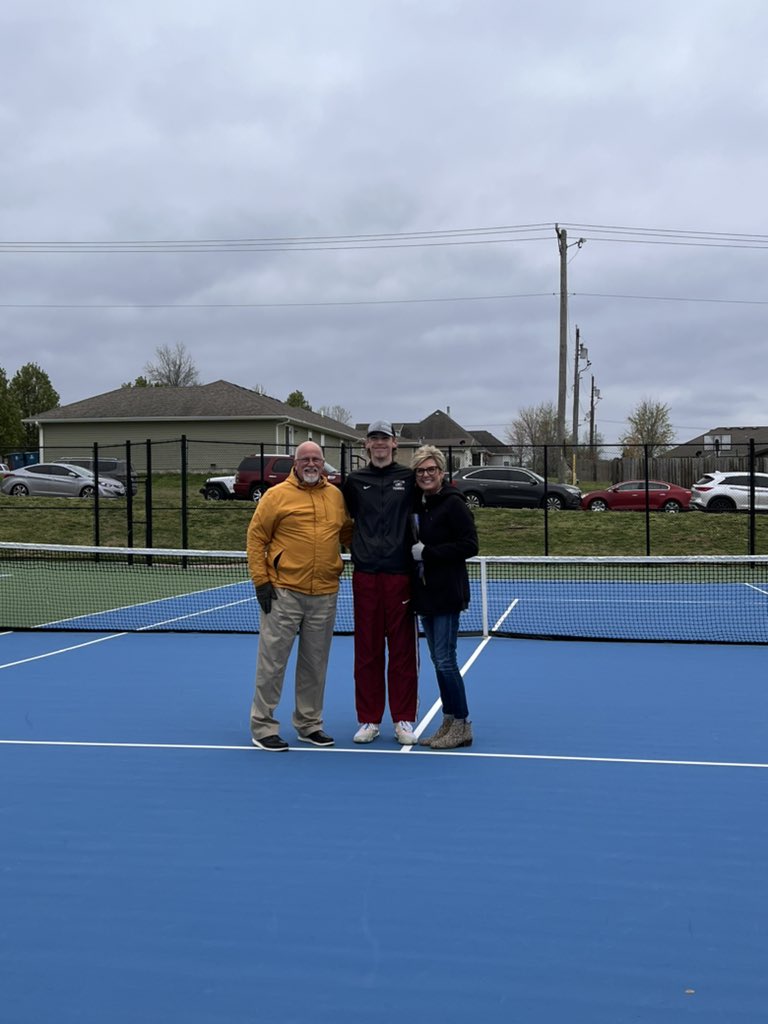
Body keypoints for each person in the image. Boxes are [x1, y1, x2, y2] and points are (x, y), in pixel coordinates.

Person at [247, 440, 353, 751]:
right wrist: (261, 582)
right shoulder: (276, 496)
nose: (310, 464)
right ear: (296, 463)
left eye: (316, 459)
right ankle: (263, 726)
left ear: (323, 464)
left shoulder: (335, 496)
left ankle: (309, 725)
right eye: (305, 459)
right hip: (283, 593)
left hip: (324, 593)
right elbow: (256, 538)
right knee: (272, 663)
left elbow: (347, 532)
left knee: (315, 665)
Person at [342, 420, 419, 744]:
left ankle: (402, 719)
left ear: (394, 443)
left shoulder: (409, 479)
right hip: (366, 577)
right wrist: (355, 548)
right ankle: (370, 720)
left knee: (402, 651)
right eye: (374, 439)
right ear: (366, 444)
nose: (379, 444)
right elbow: (343, 521)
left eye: (384, 439)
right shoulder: (354, 482)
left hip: (401, 576)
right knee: (368, 650)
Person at [410, 445, 478, 749]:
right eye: (421, 471)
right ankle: (448, 720)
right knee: (438, 660)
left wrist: (430, 553)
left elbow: (470, 545)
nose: (426, 475)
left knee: (446, 660)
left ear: (441, 473)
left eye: (431, 470)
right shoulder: (421, 503)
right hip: (426, 593)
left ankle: (462, 723)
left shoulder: (454, 504)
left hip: (448, 592)